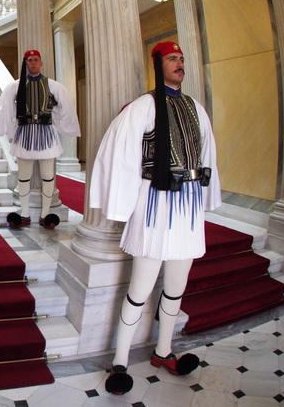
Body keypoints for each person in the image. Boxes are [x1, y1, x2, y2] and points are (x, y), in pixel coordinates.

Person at [89, 42, 221, 395]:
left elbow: (207, 155)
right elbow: (121, 157)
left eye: (182, 59)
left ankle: (164, 352)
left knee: (176, 287)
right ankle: (120, 362)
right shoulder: (143, 107)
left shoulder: (195, 108)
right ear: (158, 64)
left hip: (188, 207)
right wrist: (121, 207)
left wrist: (209, 197)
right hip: (155, 206)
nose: (180, 63)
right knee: (140, 289)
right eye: (172, 59)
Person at [0, 50, 81, 229]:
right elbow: (5, 109)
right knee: (24, 177)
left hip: (46, 135)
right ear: (26, 63)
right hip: (25, 135)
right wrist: (9, 129)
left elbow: (66, 108)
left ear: (41, 63)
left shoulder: (54, 86)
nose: (33, 63)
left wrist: (56, 117)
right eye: (30, 60)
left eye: (36, 60)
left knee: (48, 177)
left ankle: (45, 215)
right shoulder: (15, 86)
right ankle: (25, 214)